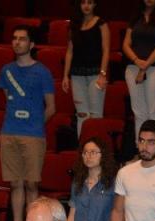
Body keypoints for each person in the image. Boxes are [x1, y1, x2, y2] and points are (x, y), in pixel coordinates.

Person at [0, 24, 56, 221]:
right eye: (14, 38)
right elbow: (8, 99)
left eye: (22, 38)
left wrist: (36, 124)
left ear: (31, 44)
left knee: (32, 183)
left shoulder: (43, 72)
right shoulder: (6, 70)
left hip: (33, 135)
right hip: (9, 132)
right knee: (15, 182)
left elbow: (51, 107)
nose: (17, 42)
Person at [122, 0, 155, 135]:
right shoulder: (136, 17)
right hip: (133, 68)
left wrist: (145, 65)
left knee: (153, 112)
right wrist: (137, 60)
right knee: (138, 112)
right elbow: (126, 45)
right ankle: (140, 145)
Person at [62, 0, 110, 136]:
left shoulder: (101, 24)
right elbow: (69, 52)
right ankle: (83, 146)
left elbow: (106, 50)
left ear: (95, 4)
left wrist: (103, 74)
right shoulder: (74, 25)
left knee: (95, 114)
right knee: (81, 114)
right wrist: (65, 75)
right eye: (83, 2)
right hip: (77, 75)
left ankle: (96, 147)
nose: (86, 6)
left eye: (90, 2)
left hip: (96, 74)